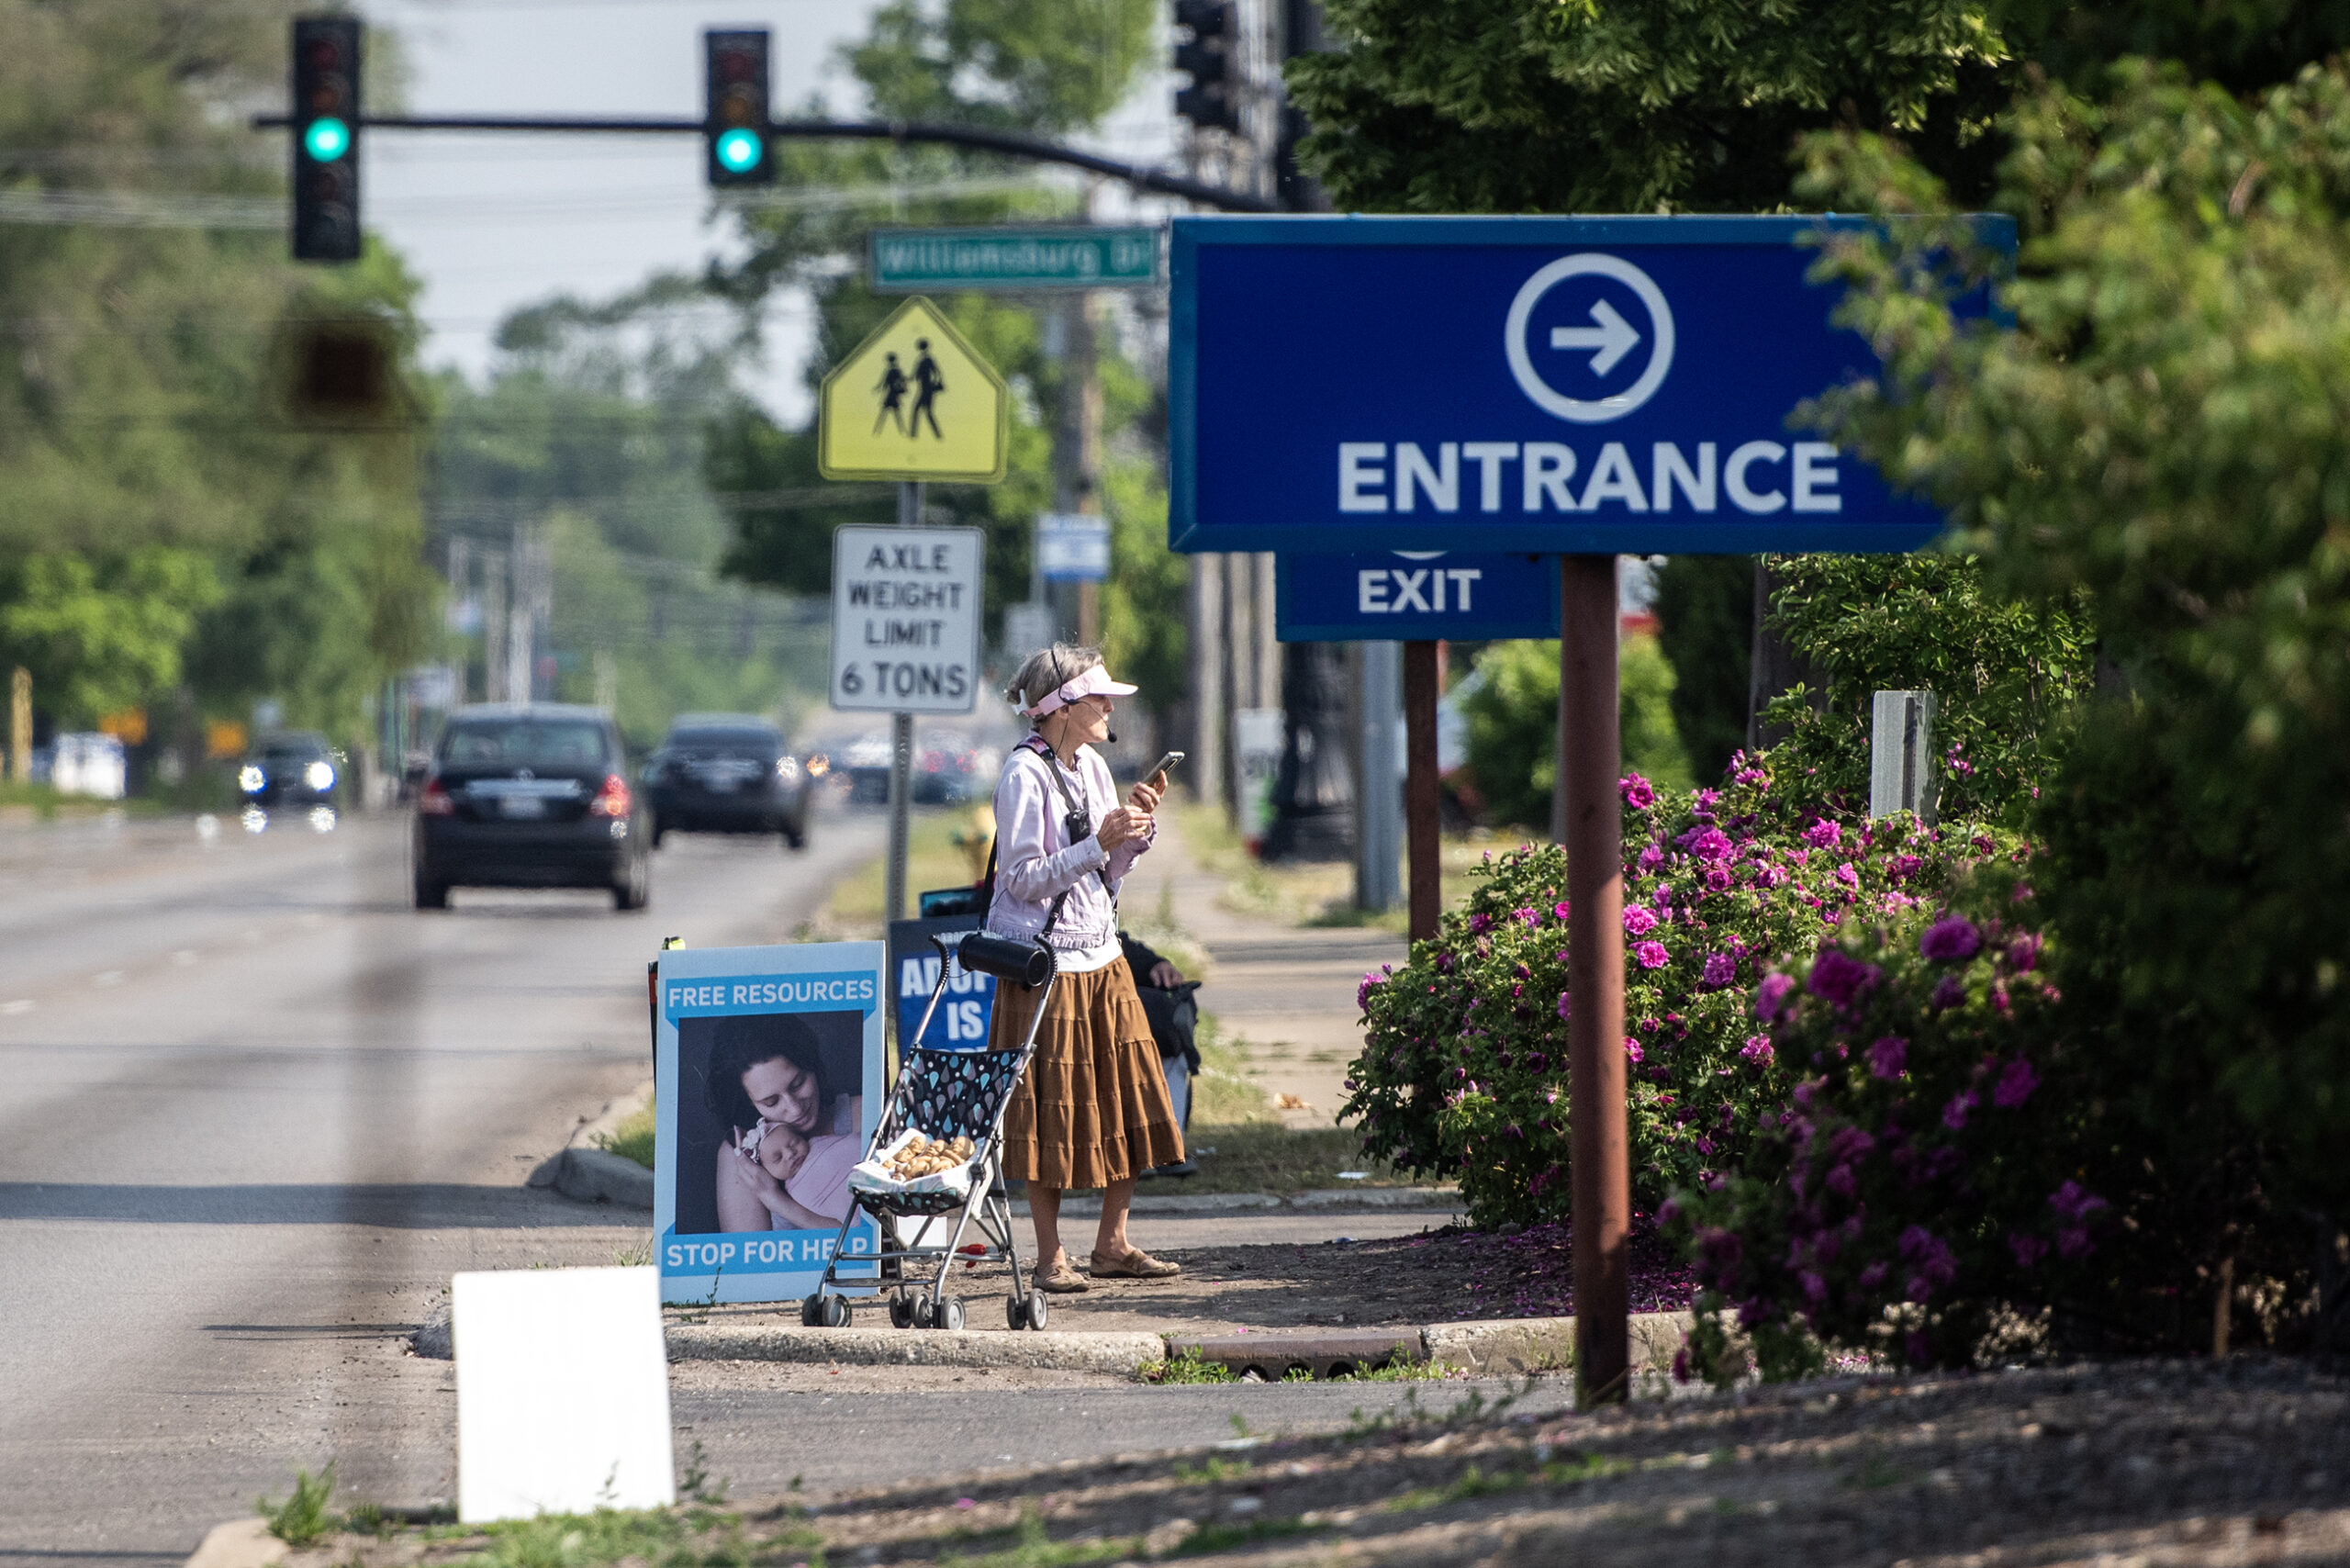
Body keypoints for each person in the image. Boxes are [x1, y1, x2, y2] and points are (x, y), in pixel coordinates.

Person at [987, 644, 1185, 1292]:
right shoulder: (1023, 775)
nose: (1108, 707)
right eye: (1098, 697)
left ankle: (1113, 1243)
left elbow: (1106, 876)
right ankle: (1050, 1257)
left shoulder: (1093, 766)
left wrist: (1129, 836)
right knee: (1049, 1109)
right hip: (1046, 965)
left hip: (1103, 954)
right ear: (1060, 708)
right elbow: (1019, 881)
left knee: (1127, 1093)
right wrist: (1093, 843)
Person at [708, 1014, 863, 1232]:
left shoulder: (862, 1115)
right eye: (771, 1102)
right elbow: (748, 1264)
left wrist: (777, 1202)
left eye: (798, 1084)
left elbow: (880, 1240)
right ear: (750, 1104)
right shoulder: (742, 1155)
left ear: (812, 1066)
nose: (795, 1108)